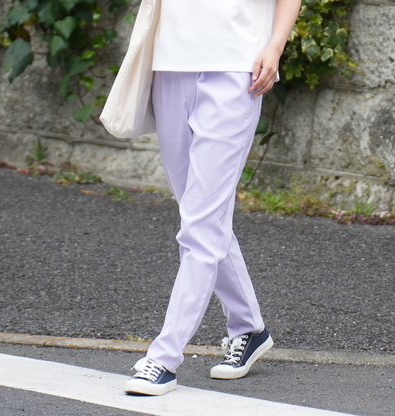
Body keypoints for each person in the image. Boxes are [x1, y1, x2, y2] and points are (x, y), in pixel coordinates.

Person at [124, 0, 302, 396]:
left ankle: (164, 357)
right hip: (170, 65)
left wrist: (275, 46)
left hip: (237, 67)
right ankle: (248, 328)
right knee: (199, 216)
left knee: (201, 225)